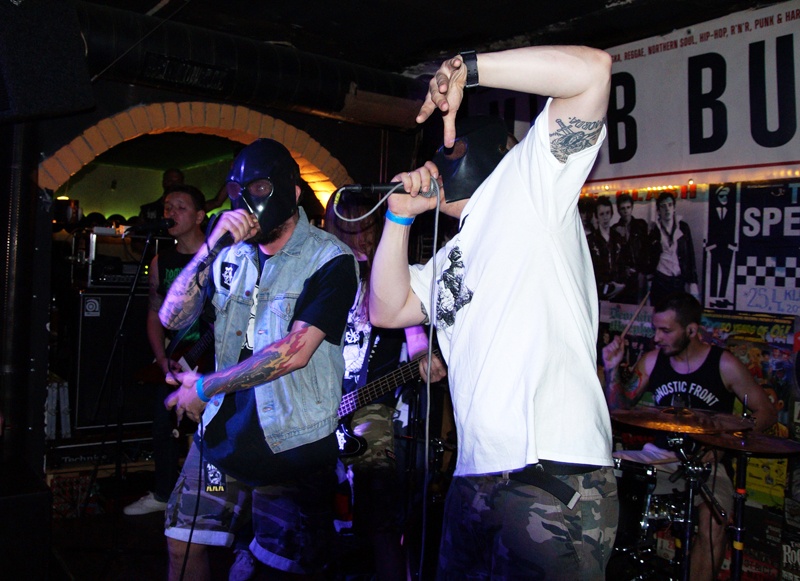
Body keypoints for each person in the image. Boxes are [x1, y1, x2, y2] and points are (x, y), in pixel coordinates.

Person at [368, 46, 618, 579]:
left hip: (547, 470)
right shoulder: (452, 253)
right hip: (475, 476)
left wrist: (470, 70)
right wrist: (399, 217)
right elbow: (387, 310)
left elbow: (592, 72)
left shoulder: (526, 186)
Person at [159, 138, 358, 580]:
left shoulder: (330, 259)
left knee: (280, 565)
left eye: (261, 189)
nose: (247, 202)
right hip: (223, 436)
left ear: (293, 192)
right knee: (183, 542)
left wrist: (204, 387)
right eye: (237, 191)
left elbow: (294, 352)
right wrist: (210, 247)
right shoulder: (230, 255)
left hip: (290, 442)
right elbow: (171, 317)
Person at [602, 291, 776, 580]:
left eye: (665, 330)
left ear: (692, 330)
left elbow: (766, 413)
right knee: (605, 474)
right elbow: (619, 408)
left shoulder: (724, 364)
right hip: (659, 457)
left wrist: (723, 445)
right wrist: (611, 370)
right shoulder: (652, 361)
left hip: (710, 466)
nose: (657, 337)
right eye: (655, 329)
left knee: (714, 522)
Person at [324, 193, 446, 580]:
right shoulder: (325, 278)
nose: (361, 237)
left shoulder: (388, 275)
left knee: (378, 504)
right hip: (320, 402)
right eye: (352, 228)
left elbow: (416, 334)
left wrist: (424, 356)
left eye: (367, 227)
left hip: (370, 405)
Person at [124, 184, 208, 516]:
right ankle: (163, 493)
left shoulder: (220, 257)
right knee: (163, 426)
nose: (171, 213)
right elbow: (154, 313)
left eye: (180, 207)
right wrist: (162, 360)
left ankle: (213, 500)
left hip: (216, 358)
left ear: (200, 216)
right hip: (178, 358)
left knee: (212, 430)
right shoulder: (162, 260)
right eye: (167, 207)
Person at [648, 191, 699, 305]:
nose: (667, 209)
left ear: (674, 208)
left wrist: (693, 282)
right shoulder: (654, 231)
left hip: (678, 280)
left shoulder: (683, 227)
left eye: (670, 205)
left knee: (678, 311)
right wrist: (649, 279)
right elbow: (648, 257)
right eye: (663, 206)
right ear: (658, 211)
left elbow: (690, 255)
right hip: (660, 280)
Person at [588, 196, 628, 302]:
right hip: (598, 291)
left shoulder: (618, 237)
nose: (605, 217)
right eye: (601, 214)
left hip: (618, 290)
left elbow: (623, 263)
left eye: (607, 213)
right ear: (596, 216)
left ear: (611, 214)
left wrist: (621, 283)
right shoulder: (590, 240)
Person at [613, 193, 650, 304]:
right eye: (623, 208)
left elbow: (646, 249)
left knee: (640, 304)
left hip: (639, 273)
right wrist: (624, 269)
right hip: (624, 275)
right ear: (618, 210)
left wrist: (642, 270)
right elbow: (615, 256)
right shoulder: (614, 229)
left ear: (632, 208)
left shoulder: (641, 225)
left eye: (628, 207)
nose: (626, 211)